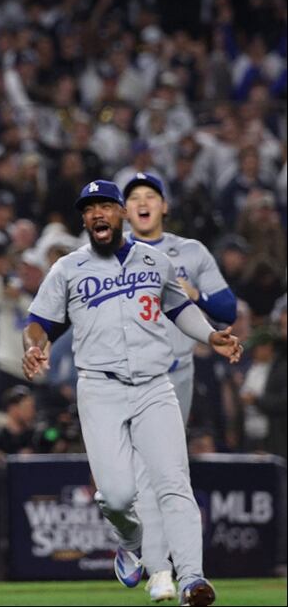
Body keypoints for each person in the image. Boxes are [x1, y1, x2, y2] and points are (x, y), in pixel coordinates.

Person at [23, 180, 243, 607]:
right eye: (90, 208)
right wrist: (33, 347)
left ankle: (192, 579)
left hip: (155, 385)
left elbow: (178, 307)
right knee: (118, 496)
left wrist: (210, 335)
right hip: (100, 388)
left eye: (106, 205)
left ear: (121, 212)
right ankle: (130, 542)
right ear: (84, 219)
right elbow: (39, 321)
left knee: (174, 483)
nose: (98, 213)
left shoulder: (155, 260)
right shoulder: (68, 267)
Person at [123, 172, 238, 603]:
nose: (143, 202)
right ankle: (145, 554)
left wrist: (196, 296)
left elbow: (228, 308)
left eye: (151, 195)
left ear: (164, 206)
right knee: (137, 478)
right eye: (135, 197)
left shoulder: (190, 251)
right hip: (131, 374)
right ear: (125, 210)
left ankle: (171, 570)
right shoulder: (114, 253)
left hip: (179, 372)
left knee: (167, 471)